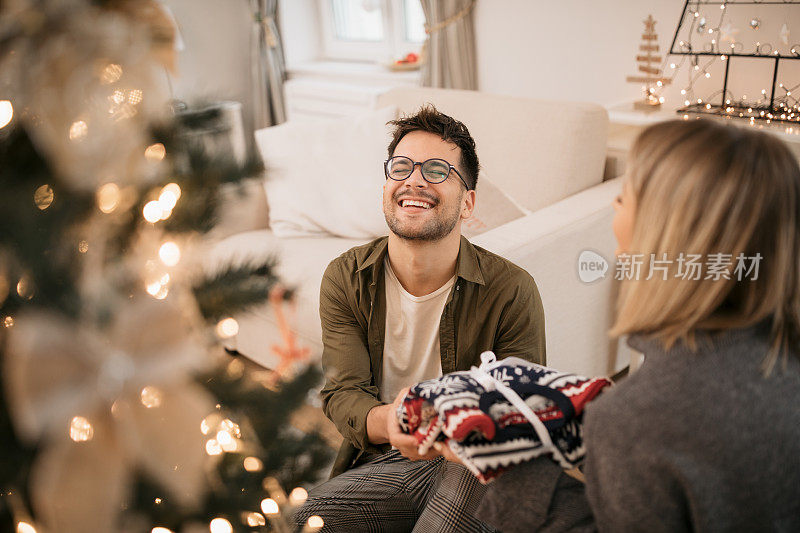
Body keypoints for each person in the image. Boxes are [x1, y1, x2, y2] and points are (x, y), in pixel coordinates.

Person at [467, 119, 800, 532]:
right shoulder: (779, 361)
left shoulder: (636, 420)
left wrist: (515, 471)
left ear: (665, 234)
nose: (614, 205)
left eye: (627, 195)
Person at [294, 105, 546, 532]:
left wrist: (458, 424)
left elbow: (522, 412)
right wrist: (391, 422)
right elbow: (342, 394)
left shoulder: (512, 290)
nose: (414, 179)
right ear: (387, 186)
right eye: (402, 167)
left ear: (467, 204)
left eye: (436, 170)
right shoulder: (346, 277)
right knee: (297, 522)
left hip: (471, 459)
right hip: (385, 457)